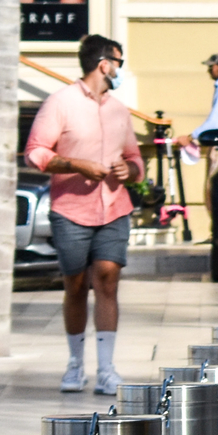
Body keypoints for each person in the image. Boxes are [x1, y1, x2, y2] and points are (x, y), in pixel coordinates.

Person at [26, 33, 144, 394]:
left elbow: (136, 160)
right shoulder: (59, 103)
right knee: (76, 286)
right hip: (71, 211)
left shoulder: (118, 109)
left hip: (115, 209)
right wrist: (76, 165)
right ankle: (75, 365)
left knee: (107, 280)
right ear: (103, 63)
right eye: (119, 62)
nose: (121, 69)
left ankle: (107, 369)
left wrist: (131, 171)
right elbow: (34, 153)